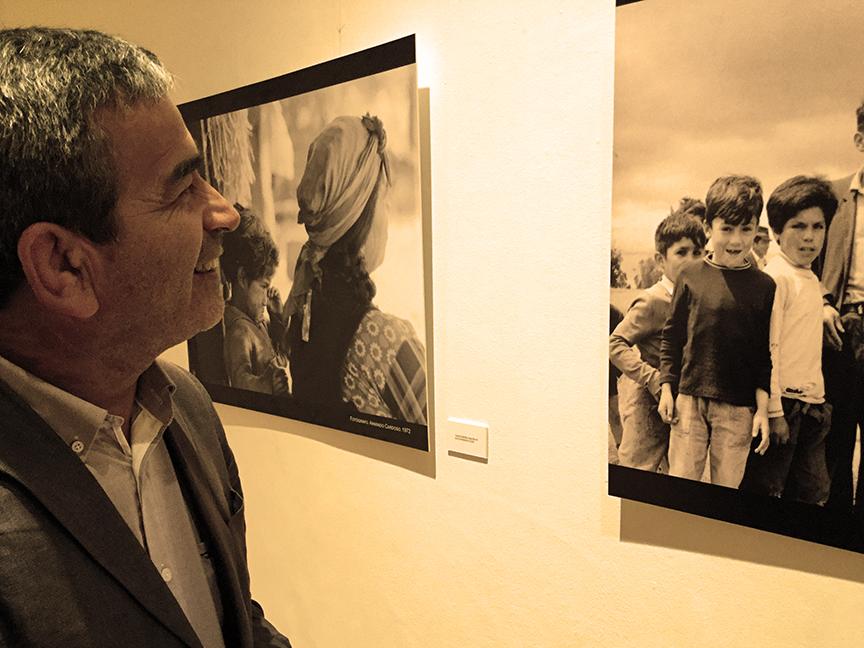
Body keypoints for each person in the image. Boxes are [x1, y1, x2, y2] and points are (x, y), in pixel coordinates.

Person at [0, 27, 291, 647]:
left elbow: (236, 621)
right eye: (182, 188)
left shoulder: (185, 408)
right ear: (64, 266)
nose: (225, 213)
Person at [286, 115, 427, 424]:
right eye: (384, 201)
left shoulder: (304, 313)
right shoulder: (386, 341)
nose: (387, 217)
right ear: (360, 215)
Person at [659, 175, 775, 488]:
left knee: (725, 495)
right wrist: (667, 387)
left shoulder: (765, 287)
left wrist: (762, 412)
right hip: (689, 401)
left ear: (756, 229)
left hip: (738, 410)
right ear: (709, 228)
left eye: (746, 229)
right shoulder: (690, 275)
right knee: (680, 492)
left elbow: (764, 355)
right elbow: (672, 336)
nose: (736, 241)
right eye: (726, 229)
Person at [739, 176, 836, 504]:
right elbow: (769, 349)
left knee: (813, 491)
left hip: (812, 406)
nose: (810, 237)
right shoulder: (777, 278)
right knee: (768, 491)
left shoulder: (809, 277)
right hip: (784, 407)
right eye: (798, 226)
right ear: (777, 231)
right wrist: (775, 411)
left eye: (818, 226)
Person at [610, 210, 706, 471]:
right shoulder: (653, 300)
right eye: (681, 252)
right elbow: (616, 344)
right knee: (638, 473)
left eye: (698, 252)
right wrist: (652, 378)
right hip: (649, 403)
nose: (691, 260)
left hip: (684, 403)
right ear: (660, 260)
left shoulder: (700, 299)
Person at [817, 99, 864, 511]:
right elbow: (805, 260)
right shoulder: (832, 198)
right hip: (841, 328)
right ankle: (834, 536)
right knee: (837, 436)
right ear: (859, 140)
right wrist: (823, 303)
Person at [221, 205, 290, 395]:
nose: (266, 300)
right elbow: (240, 382)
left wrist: (278, 320)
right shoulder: (239, 331)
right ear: (243, 278)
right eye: (263, 286)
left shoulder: (258, 323)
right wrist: (266, 384)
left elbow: (282, 359)